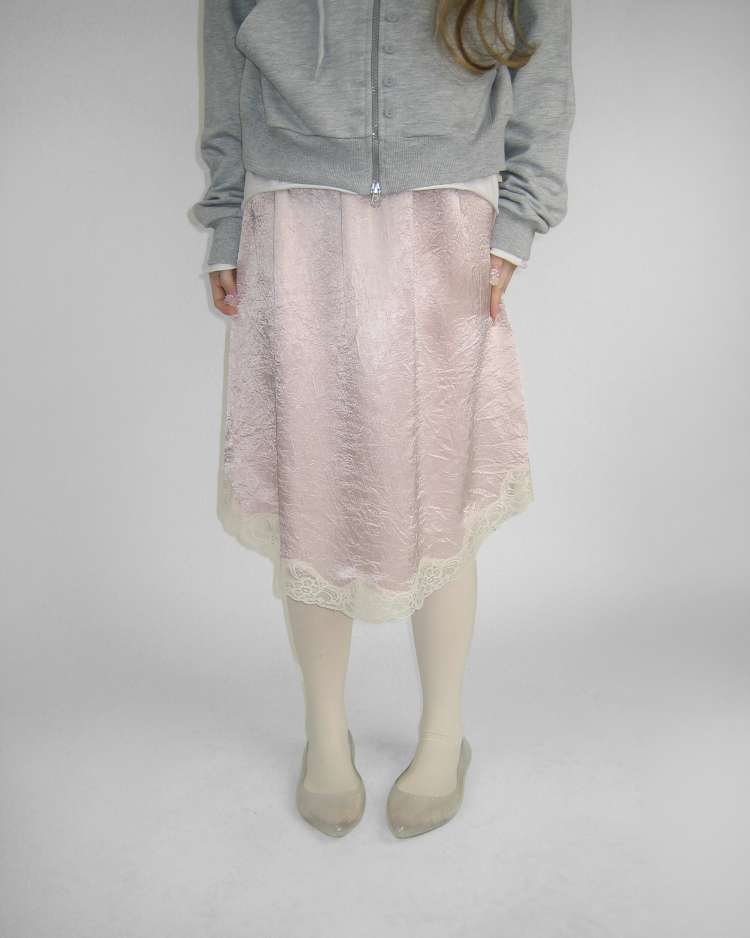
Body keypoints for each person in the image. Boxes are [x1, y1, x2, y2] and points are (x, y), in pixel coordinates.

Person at [191, 0, 575, 838]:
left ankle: (443, 735)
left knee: (439, 484)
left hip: (446, 216)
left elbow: (542, 55)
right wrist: (226, 220)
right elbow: (227, 62)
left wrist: (520, 214)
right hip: (295, 214)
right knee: (313, 480)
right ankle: (325, 734)